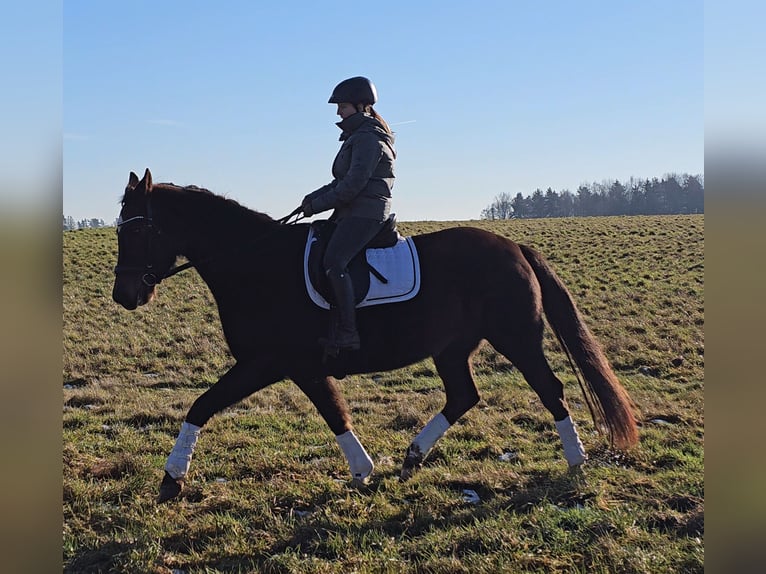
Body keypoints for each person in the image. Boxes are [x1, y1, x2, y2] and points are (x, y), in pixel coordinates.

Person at [301, 76, 396, 353]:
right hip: (352, 210)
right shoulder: (357, 137)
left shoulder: (368, 138)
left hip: (366, 212)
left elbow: (352, 186)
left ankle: (348, 333)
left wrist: (317, 206)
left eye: (342, 106)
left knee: (334, 262)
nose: (338, 112)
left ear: (361, 106)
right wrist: (310, 200)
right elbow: (339, 183)